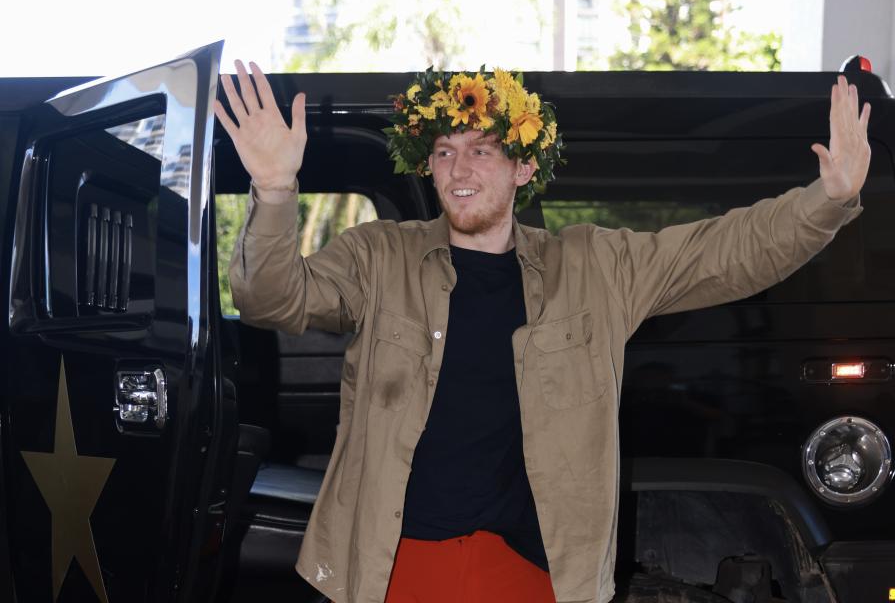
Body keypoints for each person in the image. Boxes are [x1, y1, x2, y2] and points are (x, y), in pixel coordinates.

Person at [217, 59, 871, 603]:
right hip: (395, 565)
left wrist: (829, 198)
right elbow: (272, 299)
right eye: (444, 152)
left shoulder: (594, 267)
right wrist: (274, 190)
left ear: (523, 168)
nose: (459, 169)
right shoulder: (378, 256)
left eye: (481, 150)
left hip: (530, 567)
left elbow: (723, 252)